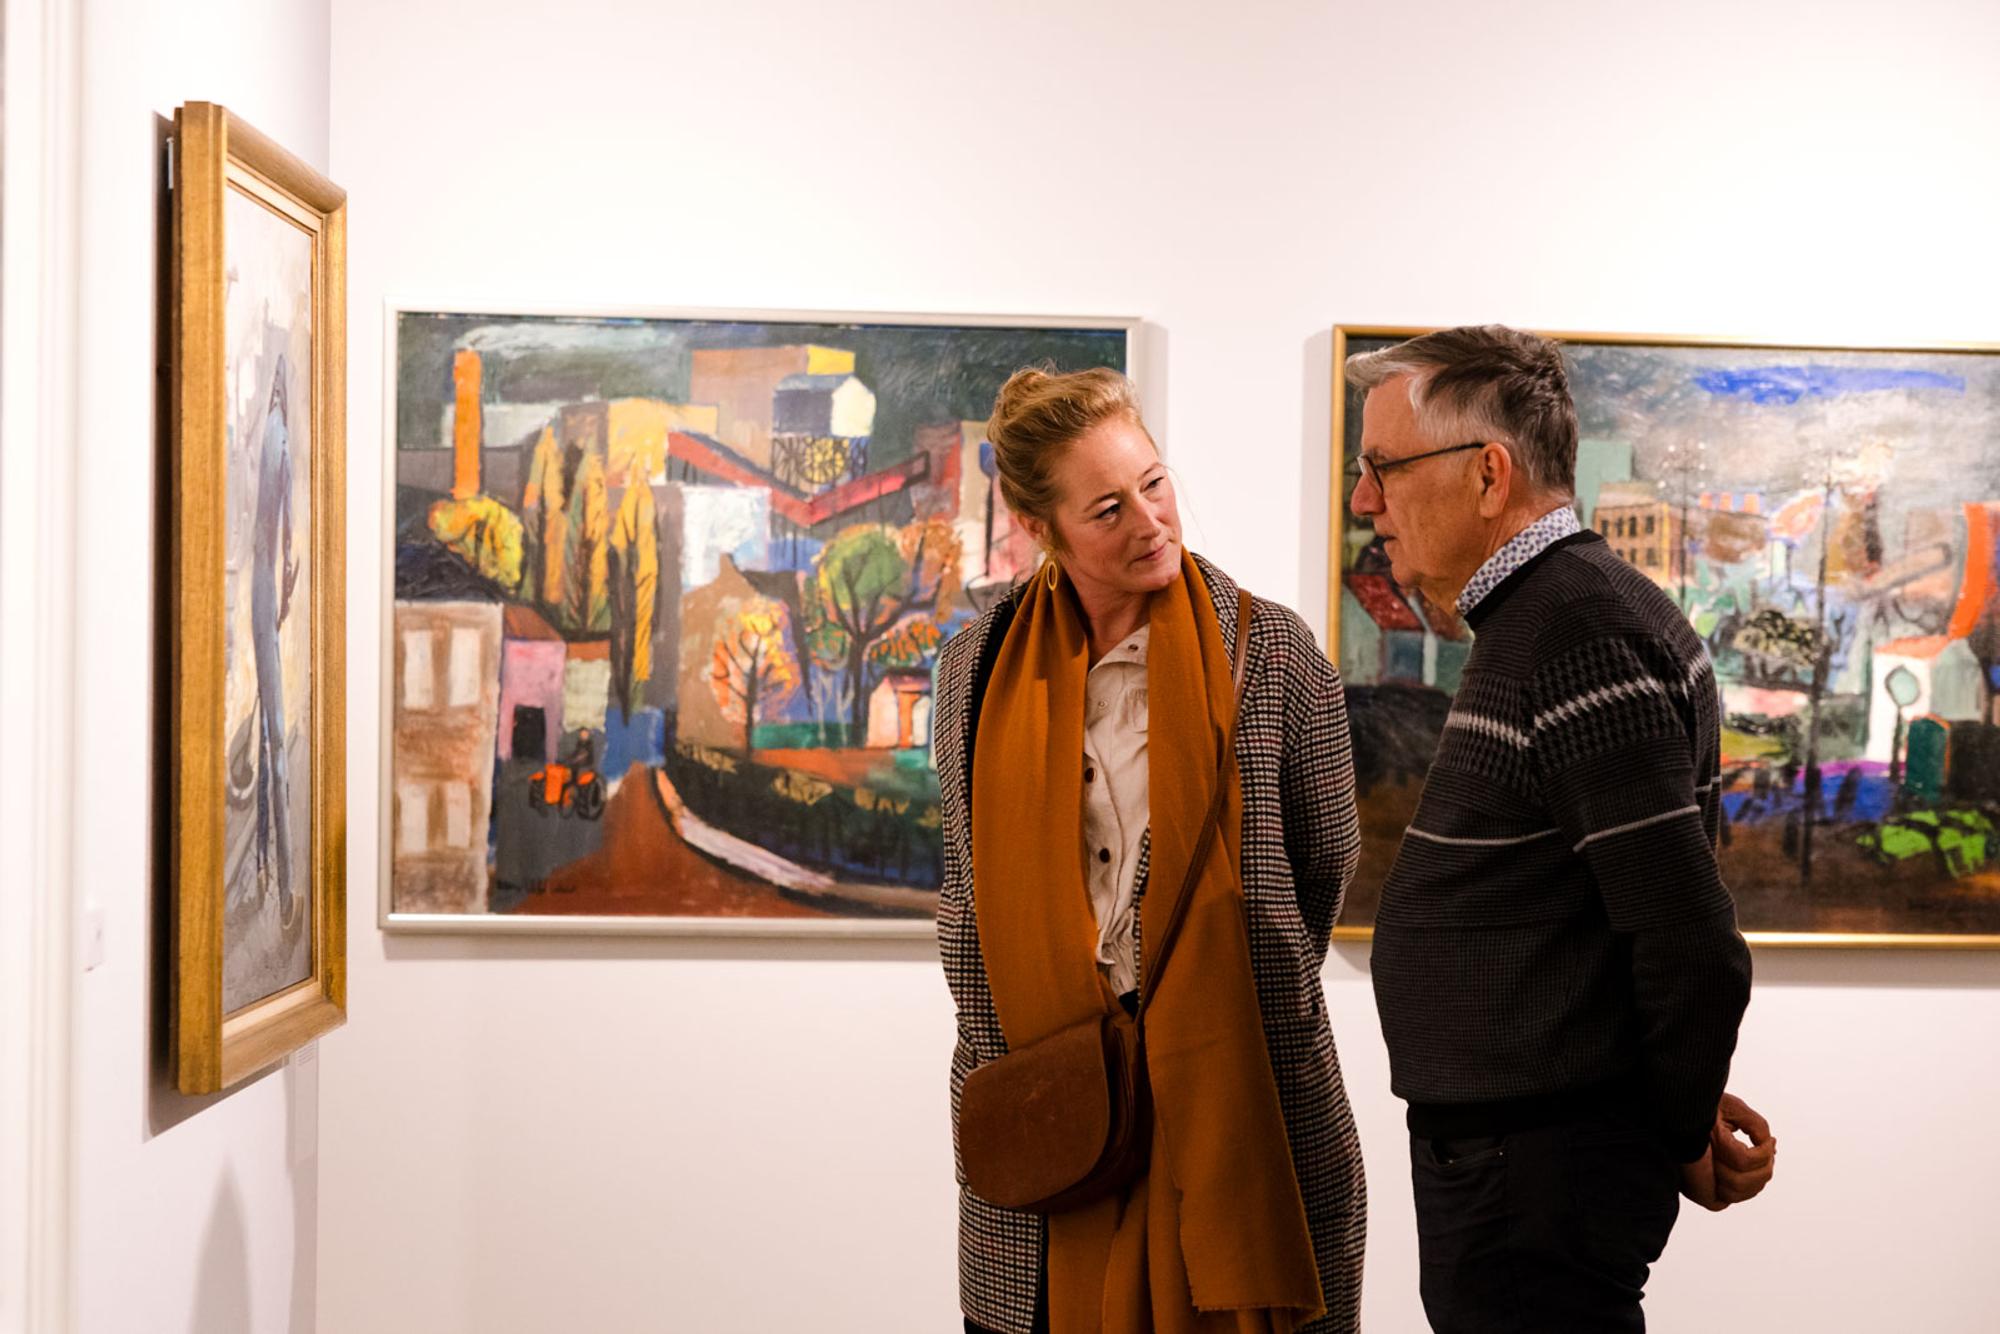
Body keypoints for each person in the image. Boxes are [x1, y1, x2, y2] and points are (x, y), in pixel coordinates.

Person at [1349, 325, 1776, 1332]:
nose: (1363, 498)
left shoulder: (1577, 631)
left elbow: (1686, 941)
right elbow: (1592, 908)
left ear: (1487, 473)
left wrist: (1670, 1120)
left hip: (1533, 1175)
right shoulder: (1546, 619)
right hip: (1518, 1164)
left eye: (1380, 467)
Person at [933, 367, 1366, 1333]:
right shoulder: (975, 668)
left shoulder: (1274, 652)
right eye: (1108, 509)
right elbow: (966, 896)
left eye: (1156, 483)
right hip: (1052, 1116)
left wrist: (1198, 995)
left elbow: (1321, 869)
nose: (1150, 521)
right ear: (1044, 533)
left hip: (1246, 1105)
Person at [251, 356, 301, 929]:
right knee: (277, 743)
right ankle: (283, 877)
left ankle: (271, 866)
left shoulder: (267, 436)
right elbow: (284, 532)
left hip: (261, 595)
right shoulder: (280, 438)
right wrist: (288, 587)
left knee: (272, 739)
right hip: (269, 598)